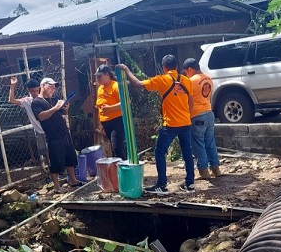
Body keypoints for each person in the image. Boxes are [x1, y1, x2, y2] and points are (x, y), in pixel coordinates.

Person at [117, 55, 195, 193]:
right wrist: (186, 114)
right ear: (176, 67)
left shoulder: (162, 79)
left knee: (159, 152)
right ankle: (190, 184)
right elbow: (191, 102)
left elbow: (139, 85)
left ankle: (161, 184)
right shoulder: (186, 81)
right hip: (186, 123)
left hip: (170, 125)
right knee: (187, 153)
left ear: (164, 68)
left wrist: (127, 70)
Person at [30, 77, 82, 193]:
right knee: (56, 160)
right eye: (51, 86)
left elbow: (62, 113)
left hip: (64, 132)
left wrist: (65, 109)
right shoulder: (36, 102)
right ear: (43, 86)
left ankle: (73, 180)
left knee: (70, 156)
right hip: (53, 135)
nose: (53, 89)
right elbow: (41, 116)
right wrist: (55, 108)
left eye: (54, 87)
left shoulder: (55, 99)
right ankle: (57, 186)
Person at [181, 58, 221, 179]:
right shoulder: (208, 78)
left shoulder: (190, 81)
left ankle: (203, 171)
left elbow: (187, 100)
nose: (186, 74)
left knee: (198, 143)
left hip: (197, 115)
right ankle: (216, 169)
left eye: (186, 71)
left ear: (190, 69)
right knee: (210, 142)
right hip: (209, 113)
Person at [8, 77, 49, 169]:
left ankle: (61, 171)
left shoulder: (44, 98)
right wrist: (12, 86)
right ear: (28, 90)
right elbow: (11, 100)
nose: (35, 93)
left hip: (49, 129)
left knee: (54, 151)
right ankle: (52, 172)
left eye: (37, 90)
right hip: (39, 131)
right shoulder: (27, 101)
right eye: (33, 91)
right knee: (45, 154)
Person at [94, 64, 127, 160]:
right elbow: (100, 106)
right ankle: (123, 168)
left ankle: (122, 172)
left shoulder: (115, 86)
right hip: (106, 123)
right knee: (116, 148)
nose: (98, 79)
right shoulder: (100, 88)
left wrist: (110, 108)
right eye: (97, 77)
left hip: (117, 121)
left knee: (117, 148)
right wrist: (101, 123)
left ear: (107, 75)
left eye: (99, 76)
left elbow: (125, 103)